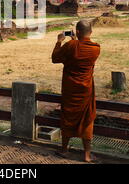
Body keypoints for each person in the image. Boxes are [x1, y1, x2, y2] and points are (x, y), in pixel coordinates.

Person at [51, 20, 101, 163]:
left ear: (77, 32)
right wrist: (75, 41)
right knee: (87, 120)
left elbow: (55, 58)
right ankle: (86, 155)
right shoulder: (96, 48)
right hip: (86, 90)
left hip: (70, 89)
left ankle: (64, 150)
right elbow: (79, 52)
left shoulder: (71, 45)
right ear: (90, 32)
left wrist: (59, 41)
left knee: (67, 117)